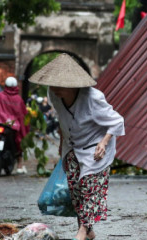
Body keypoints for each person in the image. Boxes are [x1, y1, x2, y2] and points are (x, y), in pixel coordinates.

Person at [28, 53, 124, 240]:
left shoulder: (92, 98)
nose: (54, 89)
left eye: (59, 85)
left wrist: (103, 143)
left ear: (71, 86)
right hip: (73, 147)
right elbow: (63, 119)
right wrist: (63, 144)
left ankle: (82, 231)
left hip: (96, 148)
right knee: (76, 191)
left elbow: (117, 121)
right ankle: (88, 231)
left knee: (89, 188)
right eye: (52, 84)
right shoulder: (53, 95)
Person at [0, 76, 29, 174]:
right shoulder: (18, 99)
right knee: (19, 140)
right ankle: (20, 164)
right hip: (11, 125)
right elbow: (22, 115)